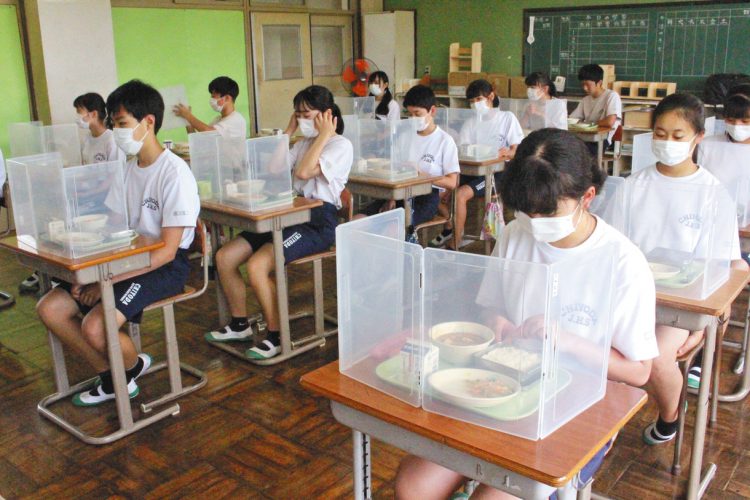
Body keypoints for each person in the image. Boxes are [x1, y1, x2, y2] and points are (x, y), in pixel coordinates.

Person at [395, 128, 657, 499]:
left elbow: (639, 371)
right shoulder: (516, 234)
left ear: (587, 197)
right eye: (525, 211)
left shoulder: (623, 263)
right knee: (414, 486)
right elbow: (490, 307)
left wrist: (564, 341)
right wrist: (497, 324)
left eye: (547, 212)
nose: (534, 222)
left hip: (578, 406)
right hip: (503, 389)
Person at [35, 80, 200, 406]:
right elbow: (111, 227)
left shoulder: (174, 174)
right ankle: (116, 376)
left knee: (96, 326)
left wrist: (105, 281)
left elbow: (167, 252)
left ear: (148, 122)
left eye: (122, 123)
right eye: (114, 124)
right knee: (50, 309)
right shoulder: (127, 169)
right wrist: (89, 270)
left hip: (164, 265)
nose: (117, 131)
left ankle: (128, 369)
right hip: (126, 258)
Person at [606, 92, 746, 444]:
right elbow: (610, 249)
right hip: (634, 295)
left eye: (678, 135)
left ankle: (670, 415)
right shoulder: (633, 186)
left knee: (655, 356)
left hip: (683, 304)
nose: (667, 142)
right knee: (599, 349)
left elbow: (727, 267)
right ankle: (604, 424)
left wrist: (705, 326)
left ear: (698, 137)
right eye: (660, 134)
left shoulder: (712, 193)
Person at [206, 85, 352, 359]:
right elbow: (274, 168)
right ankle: (239, 324)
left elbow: (304, 172)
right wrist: (289, 130)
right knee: (225, 257)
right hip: (287, 214)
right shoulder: (302, 142)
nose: (302, 120)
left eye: (307, 114)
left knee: (257, 266)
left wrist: (324, 134)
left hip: (316, 223)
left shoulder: (340, 145)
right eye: (298, 114)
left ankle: (276, 336)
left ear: (327, 114)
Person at [430, 79, 523, 249]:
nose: (475, 104)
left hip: (497, 173)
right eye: (472, 101)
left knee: (460, 195)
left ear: (491, 96)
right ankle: (452, 228)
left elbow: (517, 150)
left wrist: (506, 153)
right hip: (472, 171)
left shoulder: (506, 118)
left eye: (479, 99)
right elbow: (462, 150)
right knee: (438, 192)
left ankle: (456, 241)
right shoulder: (471, 122)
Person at [362, 85, 459, 244]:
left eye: (417, 114)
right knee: (358, 221)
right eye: (409, 114)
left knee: (393, 228)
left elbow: (452, 182)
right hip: (399, 193)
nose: (413, 118)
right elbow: (394, 169)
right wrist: (391, 197)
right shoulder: (405, 137)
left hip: (426, 198)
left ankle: (400, 259)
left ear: (432, 111)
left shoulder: (445, 141)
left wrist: (423, 176)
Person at [569, 64, 622, 157]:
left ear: (599, 83)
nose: (584, 88)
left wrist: (587, 125)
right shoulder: (585, 100)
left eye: (588, 85)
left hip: (600, 140)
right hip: (585, 137)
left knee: (580, 155)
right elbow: (571, 120)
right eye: (583, 84)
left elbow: (609, 122)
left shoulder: (611, 96)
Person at [173, 76, 246, 138]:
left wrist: (188, 115)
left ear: (227, 98)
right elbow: (197, 140)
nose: (211, 100)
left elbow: (208, 132)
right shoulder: (218, 119)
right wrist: (187, 121)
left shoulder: (236, 119)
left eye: (214, 97)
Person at [74, 92, 125, 164]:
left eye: (79, 112)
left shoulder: (112, 139)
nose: (77, 116)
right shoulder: (86, 139)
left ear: (94, 114)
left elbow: (117, 168)